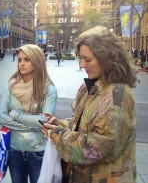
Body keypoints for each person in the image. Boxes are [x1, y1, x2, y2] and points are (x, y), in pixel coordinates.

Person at [42, 28, 137, 183]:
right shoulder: (89, 86)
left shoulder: (117, 95)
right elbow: (80, 122)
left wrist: (58, 135)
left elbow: (100, 147)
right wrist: (59, 125)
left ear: (106, 58)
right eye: (81, 59)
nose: (82, 65)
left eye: (87, 60)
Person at [0, 44, 57, 183]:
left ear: (37, 61)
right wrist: (33, 125)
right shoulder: (10, 86)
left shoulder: (49, 90)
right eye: (20, 60)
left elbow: (44, 121)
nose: (22, 64)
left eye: (27, 60)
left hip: (38, 152)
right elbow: (0, 117)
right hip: (14, 151)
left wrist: (16, 115)